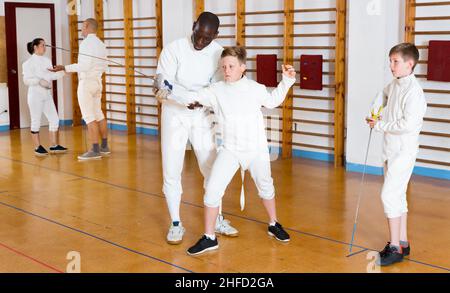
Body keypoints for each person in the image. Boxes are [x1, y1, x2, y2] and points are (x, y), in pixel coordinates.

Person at [160, 46, 296, 255]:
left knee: (266, 187)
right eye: (223, 66)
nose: (226, 70)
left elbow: (273, 101)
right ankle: (209, 237)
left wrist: (286, 81)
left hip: (256, 149)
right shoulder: (216, 90)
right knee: (212, 190)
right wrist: (170, 89)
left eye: (231, 66)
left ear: (242, 67)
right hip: (230, 151)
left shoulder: (255, 88)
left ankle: (273, 223)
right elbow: (192, 97)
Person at [154, 12, 238, 245]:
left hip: (201, 115)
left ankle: (217, 218)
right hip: (174, 115)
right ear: (194, 27)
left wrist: (202, 100)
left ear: (215, 35)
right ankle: (175, 223)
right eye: (198, 35)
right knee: (172, 168)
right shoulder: (174, 49)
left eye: (207, 38)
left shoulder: (218, 53)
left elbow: (219, 86)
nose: (201, 42)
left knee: (211, 168)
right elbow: (161, 84)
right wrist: (173, 94)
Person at [367, 43, 427, 266]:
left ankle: (394, 248)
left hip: (404, 151)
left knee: (389, 196)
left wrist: (379, 125)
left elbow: (407, 124)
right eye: (390, 61)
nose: (391, 66)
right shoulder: (394, 85)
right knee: (398, 196)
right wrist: (374, 113)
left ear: (409, 64)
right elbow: (382, 96)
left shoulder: (414, 92)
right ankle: (402, 241)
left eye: (395, 62)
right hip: (389, 150)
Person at [50, 18, 109, 160]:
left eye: (83, 26)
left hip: (87, 83)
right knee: (98, 114)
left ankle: (95, 150)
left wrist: (64, 67)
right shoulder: (101, 44)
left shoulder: (86, 43)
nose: (82, 29)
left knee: (89, 117)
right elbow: (104, 66)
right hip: (97, 82)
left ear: (87, 26)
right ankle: (104, 147)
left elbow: (83, 66)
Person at [22, 38, 67, 156]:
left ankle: (54, 145)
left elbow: (51, 75)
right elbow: (26, 80)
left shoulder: (47, 60)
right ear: (35, 47)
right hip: (35, 95)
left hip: (46, 94)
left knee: (54, 119)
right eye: (43, 45)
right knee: (35, 120)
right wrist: (39, 81)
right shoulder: (28, 63)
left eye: (45, 45)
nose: (45, 47)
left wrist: (64, 71)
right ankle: (37, 147)